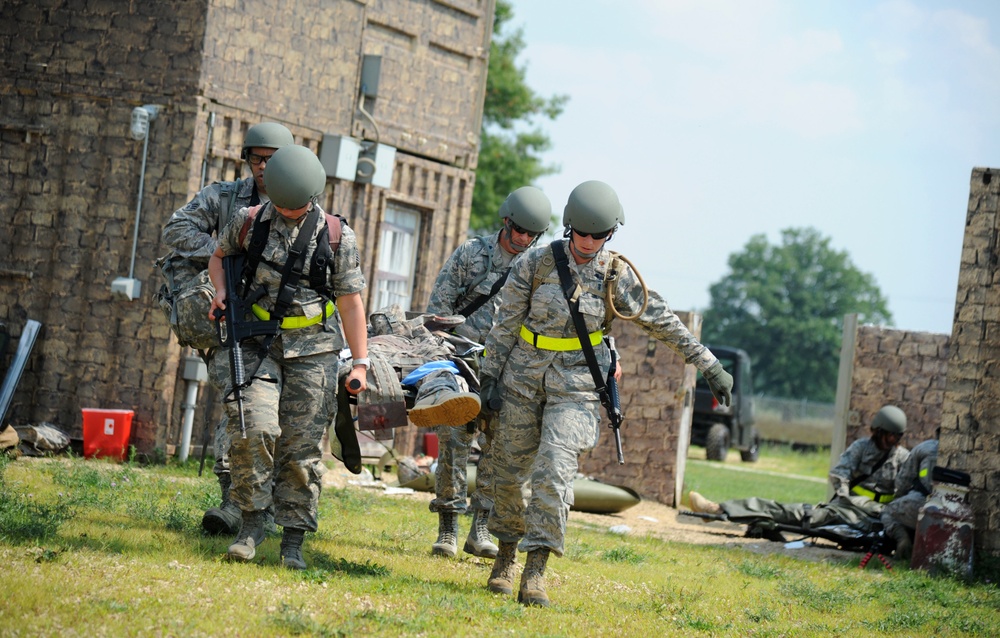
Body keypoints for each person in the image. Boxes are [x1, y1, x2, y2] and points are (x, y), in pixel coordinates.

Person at [479, 180, 734, 607]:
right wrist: (489, 378)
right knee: (508, 474)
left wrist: (708, 364)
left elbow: (661, 320)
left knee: (555, 470)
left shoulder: (616, 275)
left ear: (612, 233)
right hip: (522, 378)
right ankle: (505, 555)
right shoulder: (536, 265)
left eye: (600, 235)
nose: (590, 242)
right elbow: (506, 324)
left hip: (577, 387)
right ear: (567, 226)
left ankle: (536, 569)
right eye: (583, 233)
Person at [207, 144, 369, 570]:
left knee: (300, 450)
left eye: (296, 206)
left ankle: (293, 539)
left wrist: (360, 362)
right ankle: (251, 523)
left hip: (314, 350)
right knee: (252, 426)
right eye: (282, 204)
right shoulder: (248, 222)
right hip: (257, 343)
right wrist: (221, 292)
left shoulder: (337, 236)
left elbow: (351, 304)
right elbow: (219, 257)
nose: (289, 211)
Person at [160, 122, 295, 536]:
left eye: (272, 160)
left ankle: (269, 506)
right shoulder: (222, 196)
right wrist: (224, 249)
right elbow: (175, 229)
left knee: (281, 416)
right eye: (257, 158)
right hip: (230, 318)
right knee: (240, 399)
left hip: (282, 325)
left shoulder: (299, 203)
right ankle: (232, 502)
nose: (263, 166)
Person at [414, 186, 552, 560]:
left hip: (509, 372)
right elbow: (438, 312)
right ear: (506, 221)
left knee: (498, 451)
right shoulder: (471, 254)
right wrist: (442, 361)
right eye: (519, 229)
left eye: (532, 234)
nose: (523, 239)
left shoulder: (540, 267)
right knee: (454, 444)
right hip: (463, 363)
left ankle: (480, 530)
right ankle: (447, 529)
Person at [688, 405, 911, 538]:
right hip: (849, 507)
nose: (894, 441)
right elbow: (840, 474)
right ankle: (722, 510)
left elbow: (905, 495)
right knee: (799, 512)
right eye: (891, 435)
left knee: (801, 514)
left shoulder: (903, 458)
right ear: (879, 431)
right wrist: (844, 498)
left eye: (897, 437)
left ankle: (719, 509)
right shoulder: (862, 448)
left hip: (875, 515)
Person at [880, 432, 938, 560]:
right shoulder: (967, 453)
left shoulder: (925, 447)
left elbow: (903, 482)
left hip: (922, 504)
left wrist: (898, 499)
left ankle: (903, 541)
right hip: (955, 510)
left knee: (888, 512)